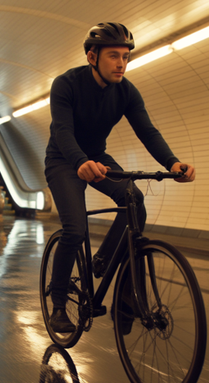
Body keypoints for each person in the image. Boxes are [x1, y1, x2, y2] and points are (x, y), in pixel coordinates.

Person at [45, 22, 196, 333]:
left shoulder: (126, 92)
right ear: (92, 57)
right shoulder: (66, 84)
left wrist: (173, 162)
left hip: (97, 157)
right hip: (63, 159)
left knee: (135, 202)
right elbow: (62, 131)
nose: (121, 64)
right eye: (113, 56)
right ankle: (58, 303)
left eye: (126, 57)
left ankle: (106, 265)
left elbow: (147, 131)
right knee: (75, 229)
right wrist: (80, 162)